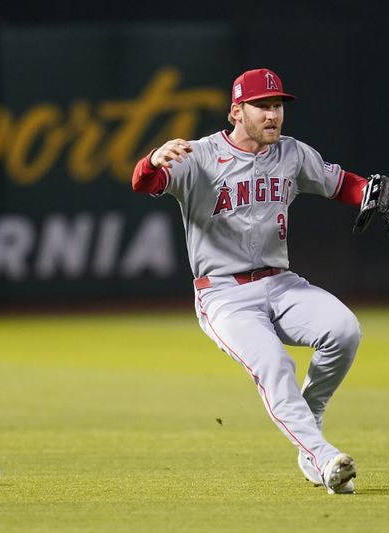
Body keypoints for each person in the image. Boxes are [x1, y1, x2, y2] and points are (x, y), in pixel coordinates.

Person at [131, 68, 370, 494]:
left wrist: (368, 189)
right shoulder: (200, 156)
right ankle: (321, 455)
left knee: (344, 330)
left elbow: (341, 185)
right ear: (236, 111)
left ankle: (308, 424)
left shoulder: (292, 153)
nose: (273, 114)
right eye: (262, 105)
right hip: (224, 295)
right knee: (275, 365)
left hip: (282, 283)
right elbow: (143, 183)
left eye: (277, 105)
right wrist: (150, 160)